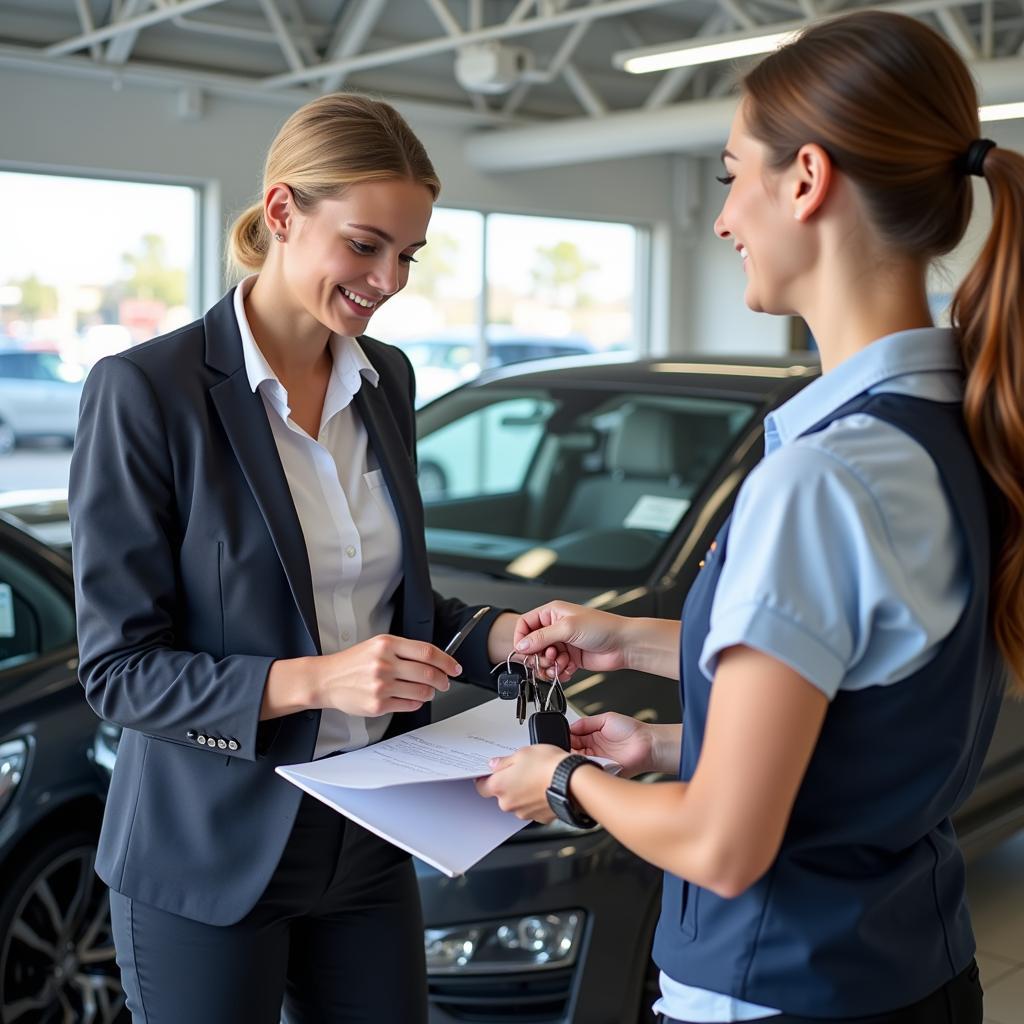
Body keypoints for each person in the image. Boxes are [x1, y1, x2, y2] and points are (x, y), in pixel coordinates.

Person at [476, 11, 1024, 1024]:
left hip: (778, 994)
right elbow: (865, 687)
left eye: (732, 175)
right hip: (915, 970)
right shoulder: (959, 426)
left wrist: (563, 781)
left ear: (806, 180)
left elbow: (725, 845)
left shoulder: (821, 476)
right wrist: (638, 671)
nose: (723, 217)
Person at [69, 93, 519, 1024]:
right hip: (207, 852)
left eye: (408, 254)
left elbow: (390, 608)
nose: (389, 278)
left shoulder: (385, 378)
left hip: (368, 832)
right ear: (282, 213)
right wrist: (314, 682)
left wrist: (508, 637)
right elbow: (120, 673)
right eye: (365, 245)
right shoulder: (147, 392)